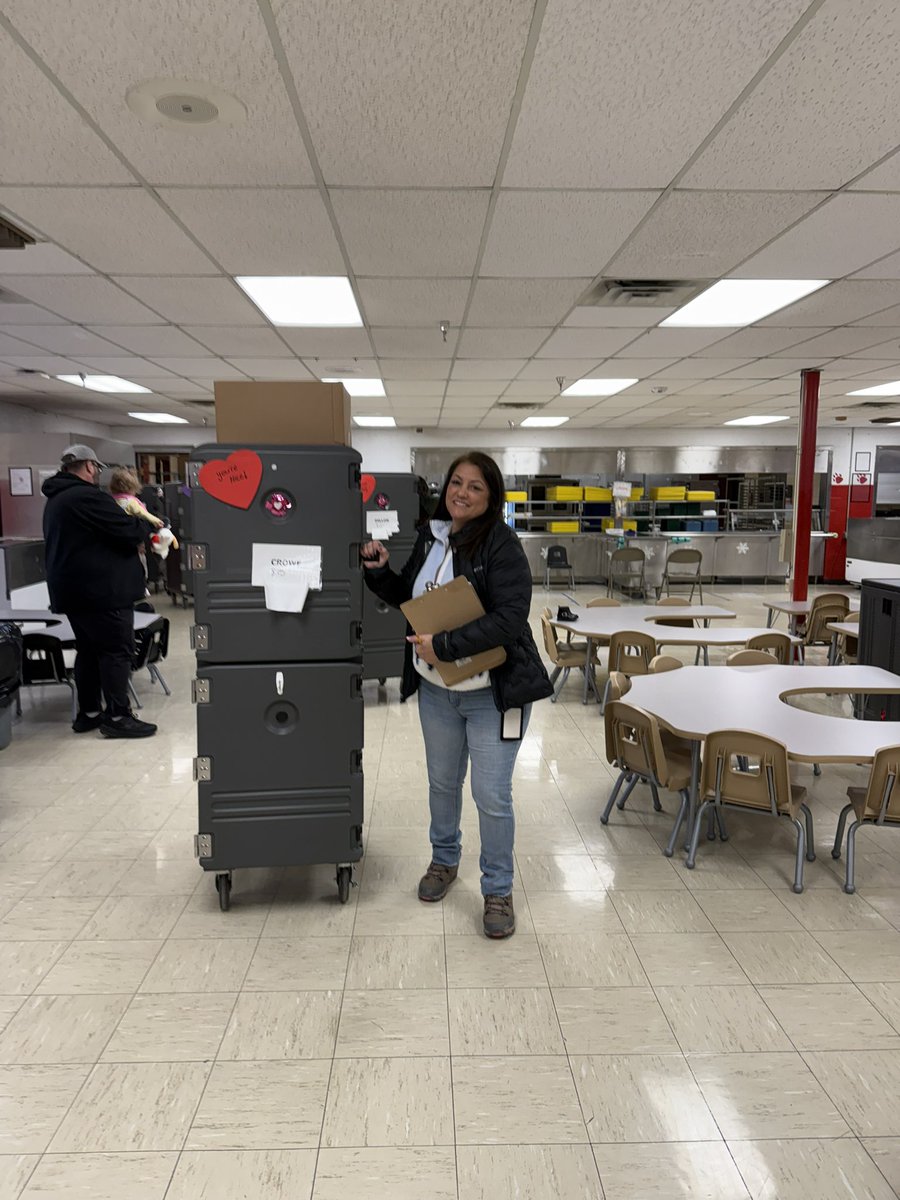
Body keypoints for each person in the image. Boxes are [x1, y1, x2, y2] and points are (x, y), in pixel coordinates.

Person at [362, 451, 552, 939]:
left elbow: (509, 618)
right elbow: (414, 596)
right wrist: (381, 571)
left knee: (492, 797)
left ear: (491, 499)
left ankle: (498, 889)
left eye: (474, 487)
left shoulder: (503, 545)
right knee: (442, 784)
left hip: (494, 694)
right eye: (456, 483)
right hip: (436, 691)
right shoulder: (433, 533)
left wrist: (443, 644)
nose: (461, 493)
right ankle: (444, 861)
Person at [42, 445, 157, 738]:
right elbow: (130, 532)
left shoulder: (56, 500)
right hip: (102, 592)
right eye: (97, 469)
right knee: (117, 650)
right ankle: (118, 716)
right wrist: (139, 517)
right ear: (90, 467)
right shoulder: (86, 497)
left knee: (90, 651)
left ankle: (89, 712)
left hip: (74, 592)